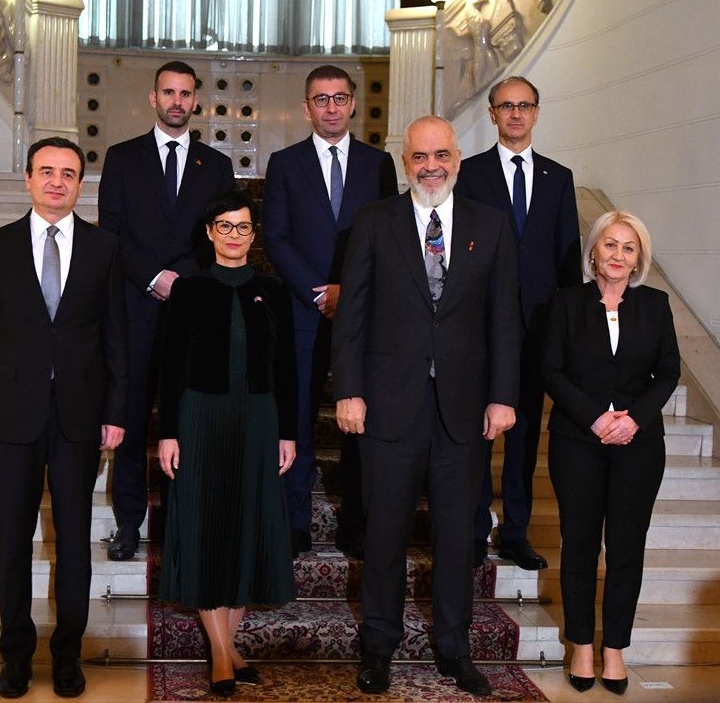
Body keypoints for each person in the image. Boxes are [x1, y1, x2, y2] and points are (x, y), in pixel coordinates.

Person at [332, 116, 521, 696]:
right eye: (419, 156)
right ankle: (379, 647)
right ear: (405, 162)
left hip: (463, 411)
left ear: (458, 160)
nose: (430, 166)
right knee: (384, 533)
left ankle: (455, 649)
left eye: (441, 155)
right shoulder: (373, 222)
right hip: (389, 407)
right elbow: (352, 314)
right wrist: (348, 390)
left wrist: (503, 396)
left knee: (457, 537)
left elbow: (504, 319)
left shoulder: (491, 225)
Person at [0, 137, 128, 699]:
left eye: (69, 173)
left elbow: (116, 336)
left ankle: (67, 655)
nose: (57, 182)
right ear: (28, 178)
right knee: (13, 540)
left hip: (80, 417)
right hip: (13, 416)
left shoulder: (105, 248)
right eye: (47, 171)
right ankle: (15, 655)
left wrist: (116, 411)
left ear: (81, 184)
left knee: (74, 541)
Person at [156, 190, 297, 697]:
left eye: (243, 226)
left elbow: (287, 368)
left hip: (258, 418)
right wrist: (168, 432)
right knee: (206, 527)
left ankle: (228, 646)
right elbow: (169, 367)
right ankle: (221, 652)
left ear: (253, 235)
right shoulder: (188, 290)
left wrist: (288, 432)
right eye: (225, 225)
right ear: (210, 232)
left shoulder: (273, 290)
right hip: (201, 417)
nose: (234, 235)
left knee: (246, 526)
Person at [98, 61, 236, 562]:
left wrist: (185, 280)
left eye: (185, 93)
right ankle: (128, 522)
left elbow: (222, 233)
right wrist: (155, 276)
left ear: (195, 100)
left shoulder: (216, 165)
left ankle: (183, 525)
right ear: (153, 98)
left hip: (193, 311)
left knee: (189, 421)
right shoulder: (122, 158)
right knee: (131, 419)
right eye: (168, 92)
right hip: (135, 308)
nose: (177, 101)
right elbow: (111, 230)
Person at [540, 210, 680, 695]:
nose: (618, 255)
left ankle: (615, 648)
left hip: (639, 446)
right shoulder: (565, 303)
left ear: (638, 258)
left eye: (629, 247)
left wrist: (633, 418)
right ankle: (581, 644)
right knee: (579, 544)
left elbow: (668, 372)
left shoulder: (656, 305)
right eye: (610, 244)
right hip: (577, 441)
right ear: (594, 251)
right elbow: (551, 370)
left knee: (626, 549)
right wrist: (596, 418)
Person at [262, 64, 398, 559]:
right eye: (321, 99)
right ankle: (295, 521)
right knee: (296, 419)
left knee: (362, 420)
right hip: (302, 312)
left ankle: (356, 525)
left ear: (353, 103)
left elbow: (391, 236)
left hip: (364, 315)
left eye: (340, 98)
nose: (332, 107)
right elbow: (275, 237)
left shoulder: (378, 164)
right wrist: (319, 293)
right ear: (307, 107)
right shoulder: (284, 163)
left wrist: (351, 292)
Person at [455, 75, 580, 571]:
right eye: (506, 106)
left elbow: (568, 257)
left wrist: (568, 329)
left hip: (538, 328)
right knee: (479, 430)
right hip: (481, 324)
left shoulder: (559, 177)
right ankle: (473, 527)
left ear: (536, 113)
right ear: (492, 114)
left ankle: (515, 533)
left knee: (525, 434)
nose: (515, 114)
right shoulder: (470, 173)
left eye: (524, 106)